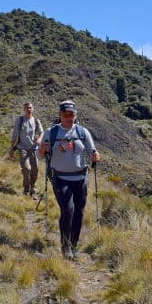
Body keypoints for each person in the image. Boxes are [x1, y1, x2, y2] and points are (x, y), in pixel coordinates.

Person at [39, 100, 100, 259]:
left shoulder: (83, 132)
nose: (68, 117)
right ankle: (65, 246)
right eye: (65, 115)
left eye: (71, 114)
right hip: (60, 178)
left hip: (80, 178)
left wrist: (95, 157)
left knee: (79, 212)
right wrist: (42, 150)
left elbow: (92, 152)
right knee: (68, 210)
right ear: (60, 115)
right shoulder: (51, 132)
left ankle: (74, 245)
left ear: (75, 115)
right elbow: (41, 154)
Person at [10, 102, 44, 197]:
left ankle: (33, 189)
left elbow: (42, 132)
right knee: (26, 168)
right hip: (22, 148)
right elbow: (15, 134)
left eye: (30, 108)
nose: (28, 109)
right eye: (26, 108)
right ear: (24, 109)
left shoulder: (36, 120)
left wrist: (40, 139)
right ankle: (26, 189)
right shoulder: (20, 120)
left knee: (35, 169)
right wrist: (12, 149)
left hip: (34, 148)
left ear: (33, 109)